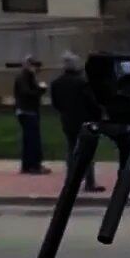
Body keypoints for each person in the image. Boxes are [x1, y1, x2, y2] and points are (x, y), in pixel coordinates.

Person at [49, 52, 104, 192]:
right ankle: (89, 182)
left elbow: (55, 103)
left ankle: (70, 180)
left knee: (71, 149)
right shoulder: (82, 82)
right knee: (87, 151)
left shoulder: (56, 83)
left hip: (67, 120)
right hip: (84, 120)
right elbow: (91, 102)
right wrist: (99, 114)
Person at [13, 54, 49, 174]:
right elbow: (27, 93)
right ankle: (34, 165)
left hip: (26, 110)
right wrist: (40, 90)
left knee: (28, 140)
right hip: (27, 111)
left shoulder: (27, 77)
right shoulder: (25, 77)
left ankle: (27, 165)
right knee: (33, 140)